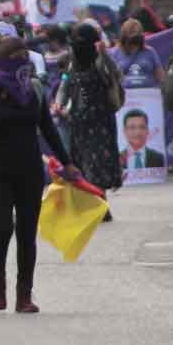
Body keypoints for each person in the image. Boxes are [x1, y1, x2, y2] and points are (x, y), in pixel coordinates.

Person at [0, 37, 78, 314]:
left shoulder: (35, 89)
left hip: (29, 171)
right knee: (2, 228)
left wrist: (67, 163)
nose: (21, 64)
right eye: (15, 58)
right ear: (1, 61)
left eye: (24, 58)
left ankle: (24, 294)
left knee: (27, 233)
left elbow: (48, 129)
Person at [57, 24, 121, 219]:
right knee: (82, 164)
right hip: (78, 122)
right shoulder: (72, 63)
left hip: (100, 121)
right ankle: (91, 207)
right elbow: (65, 84)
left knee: (97, 163)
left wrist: (105, 55)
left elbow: (115, 76)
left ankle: (101, 207)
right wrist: (58, 103)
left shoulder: (101, 61)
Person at [109, 19, 164, 89]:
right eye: (131, 37)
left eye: (137, 37)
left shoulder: (150, 51)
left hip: (149, 94)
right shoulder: (113, 53)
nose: (134, 45)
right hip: (124, 95)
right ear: (124, 37)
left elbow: (160, 76)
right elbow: (109, 79)